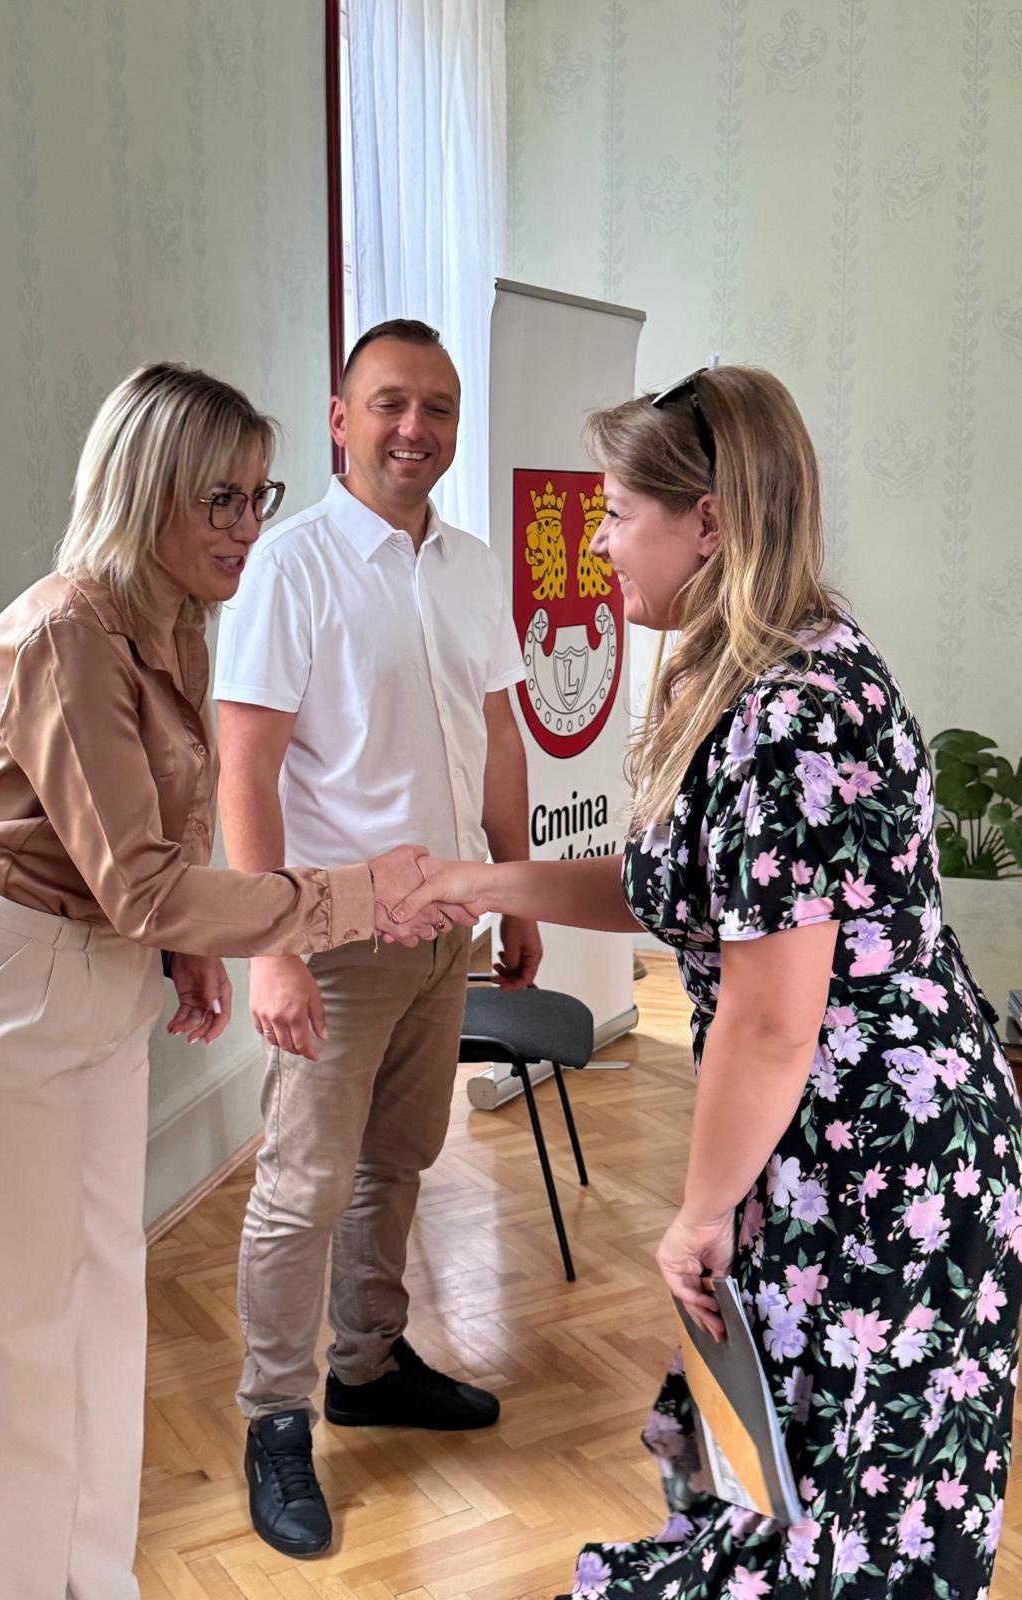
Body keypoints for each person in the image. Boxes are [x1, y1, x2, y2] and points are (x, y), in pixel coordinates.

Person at [396, 365, 1022, 1598]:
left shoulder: (793, 713)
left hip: (884, 1171)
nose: (597, 540)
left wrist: (697, 1211)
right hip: (829, 1149)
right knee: (786, 1494)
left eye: (618, 512)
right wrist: (483, 881)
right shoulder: (747, 674)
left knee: (847, 1531)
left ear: (712, 523)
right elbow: (685, 889)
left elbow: (773, 1017)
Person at [0, 361, 457, 1600]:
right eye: (219, 499)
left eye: (258, 494)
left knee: (94, 1314)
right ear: (145, 492)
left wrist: (185, 948)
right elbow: (138, 879)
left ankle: (86, 1581)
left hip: (89, 984)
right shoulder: (63, 634)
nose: (246, 525)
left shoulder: (175, 621)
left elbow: (148, 843)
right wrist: (354, 896)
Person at [214, 318, 543, 1557]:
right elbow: (244, 771)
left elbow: (499, 734)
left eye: (439, 408)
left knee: (398, 1156)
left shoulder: (470, 562)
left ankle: (366, 1363)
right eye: (392, 403)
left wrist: (515, 890)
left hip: (446, 923)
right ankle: (274, 1417)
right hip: (333, 935)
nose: (417, 429)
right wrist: (270, 946)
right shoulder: (290, 567)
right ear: (341, 419)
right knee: (301, 1184)